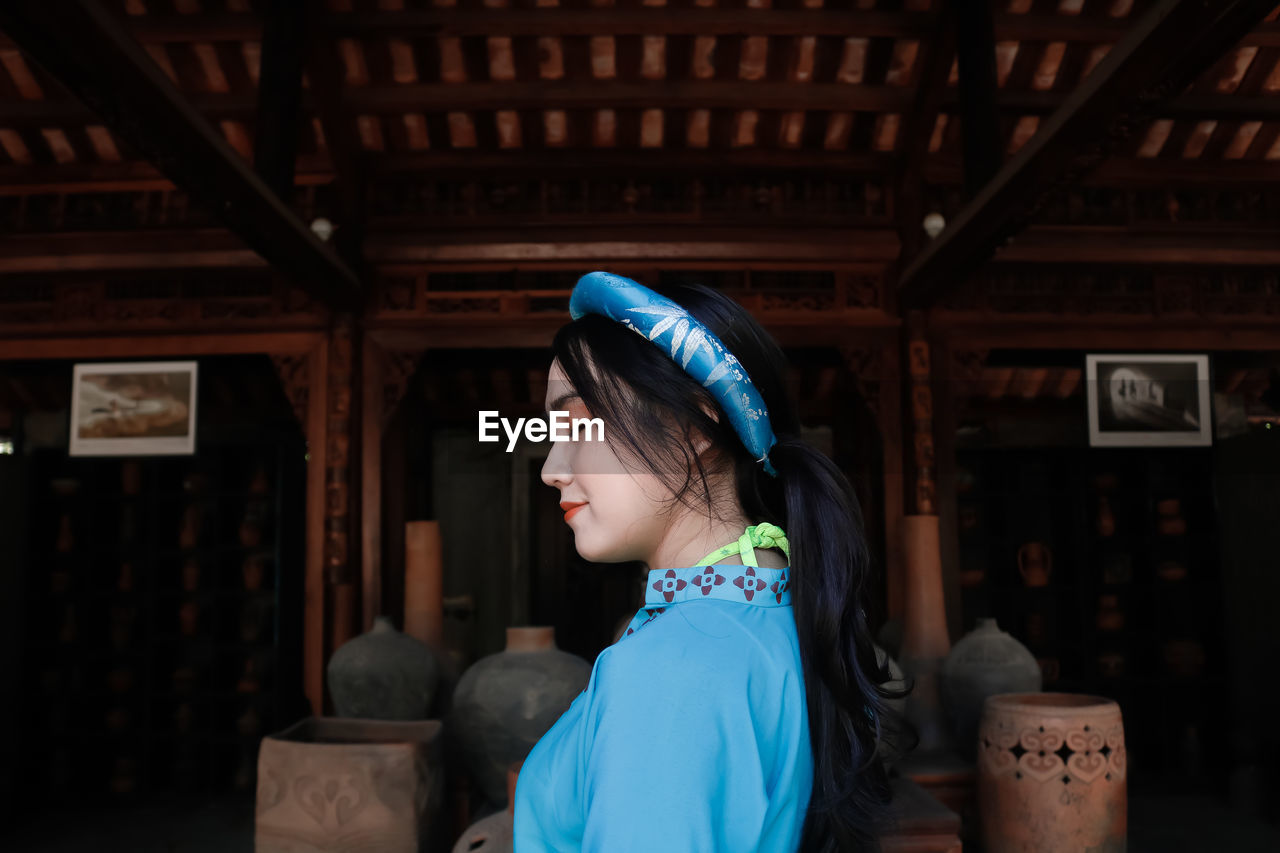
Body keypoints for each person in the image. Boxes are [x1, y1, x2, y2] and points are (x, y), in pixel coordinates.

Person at [513, 271, 908, 852]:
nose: (552, 467)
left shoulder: (667, 672)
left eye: (581, 423)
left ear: (695, 425)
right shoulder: (783, 615)